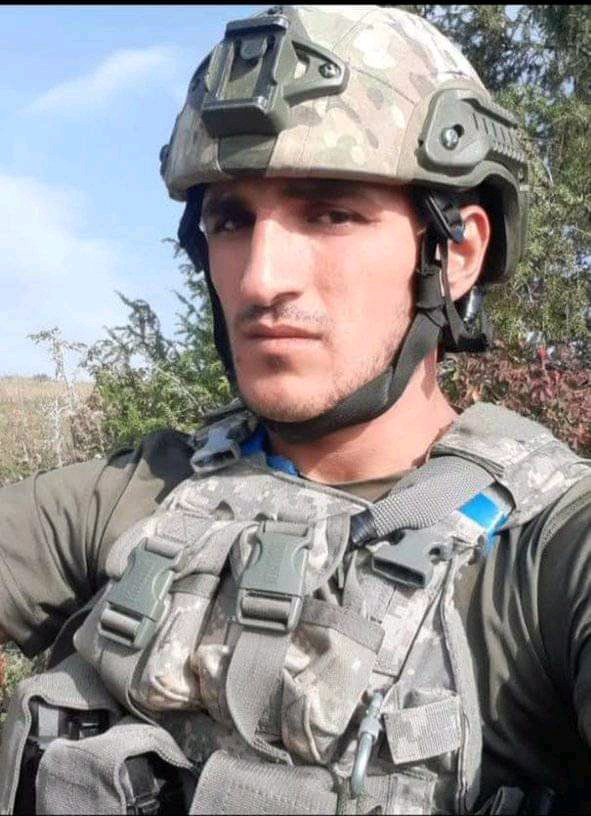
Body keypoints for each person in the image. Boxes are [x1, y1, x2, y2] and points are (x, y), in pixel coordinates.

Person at [0, 5, 590, 814]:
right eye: (230, 220)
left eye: (329, 212)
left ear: (455, 252)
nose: (259, 278)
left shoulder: (549, 551)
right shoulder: (139, 495)